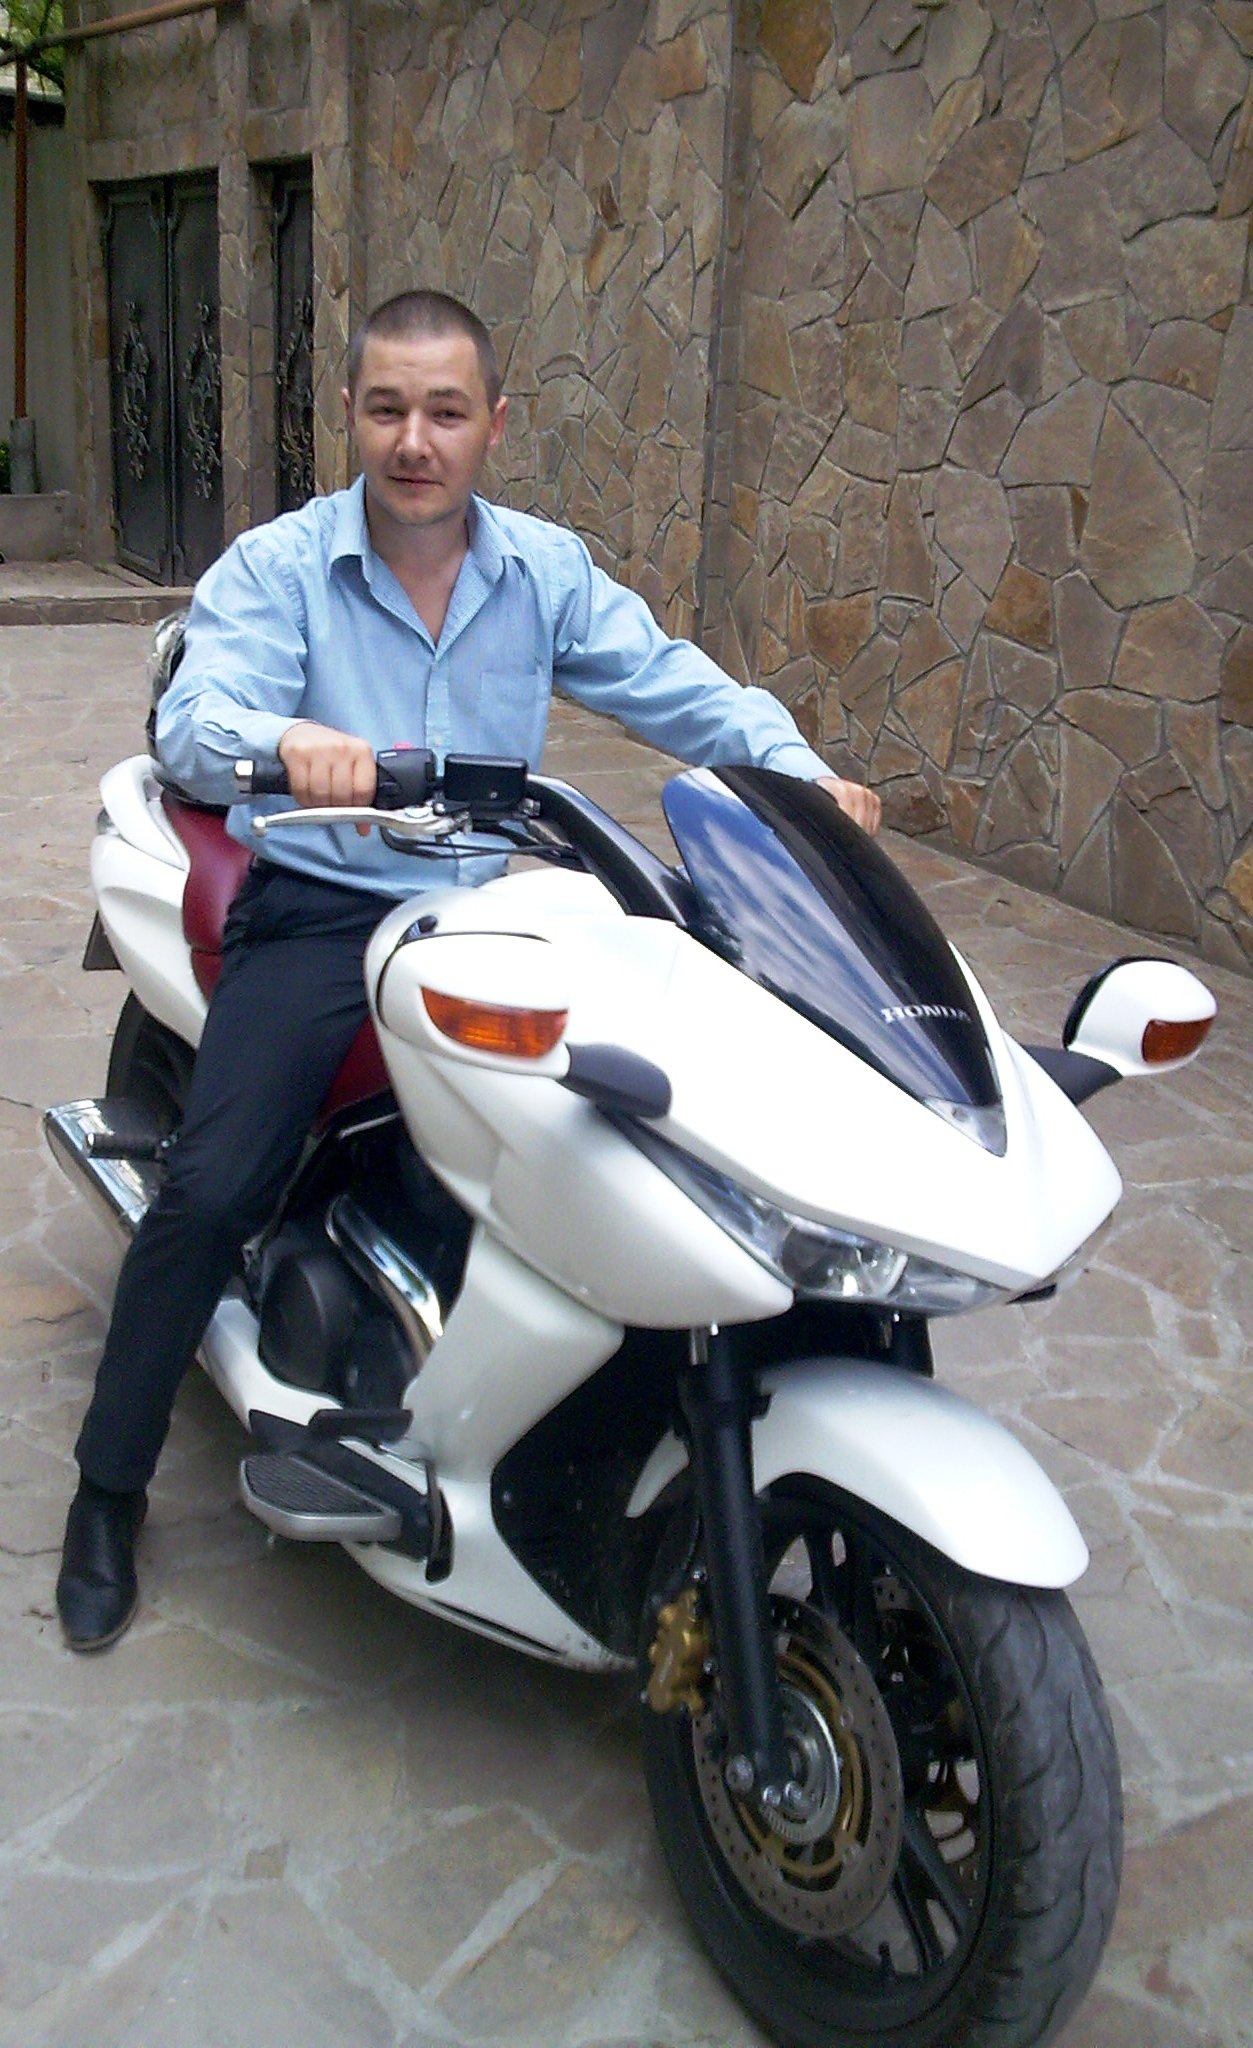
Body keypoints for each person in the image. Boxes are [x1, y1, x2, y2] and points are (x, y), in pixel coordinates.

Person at [55, 287, 881, 1652]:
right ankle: (105, 1492)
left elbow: (672, 682)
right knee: (211, 1187)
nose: (414, 440)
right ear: (349, 415)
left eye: (445, 412)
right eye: (387, 409)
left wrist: (797, 774)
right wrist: (287, 744)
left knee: (638, 1117)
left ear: (494, 423)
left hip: (486, 907)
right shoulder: (282, 566)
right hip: (322, 906)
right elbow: (197, 718)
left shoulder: (542, 572)